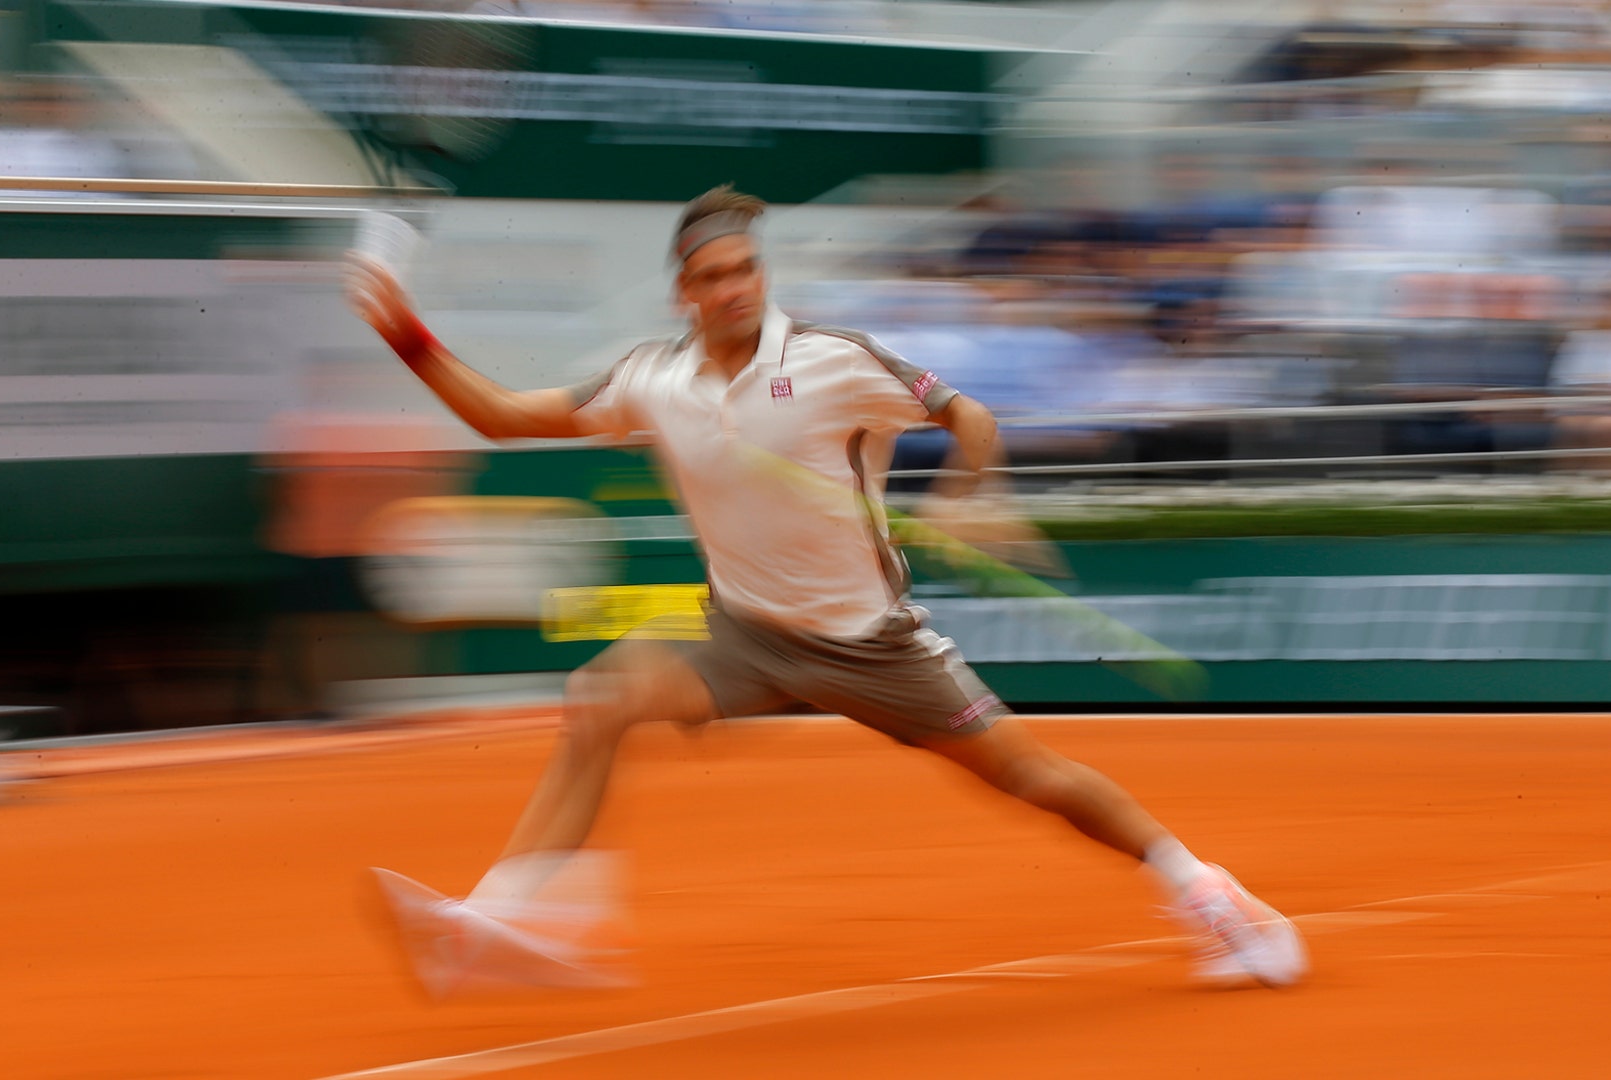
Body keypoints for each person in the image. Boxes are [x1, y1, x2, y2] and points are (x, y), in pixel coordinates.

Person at [345, 185, 1306, 995]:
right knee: (603, 698)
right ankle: (519, 921)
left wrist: (973, 497)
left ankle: (1207, 892)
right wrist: (405, 333)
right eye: (715, 276)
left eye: (746, 271)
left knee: (1033, 779)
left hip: (873, 645)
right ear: (685, 291)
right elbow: (510, 418)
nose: (735, 289)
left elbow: (967, 415)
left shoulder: (831, 361)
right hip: (748, 635)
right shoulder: (652, 380)